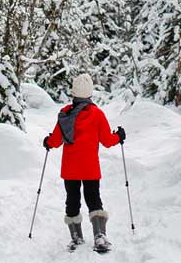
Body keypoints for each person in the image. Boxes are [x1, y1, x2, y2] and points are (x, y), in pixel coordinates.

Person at [43, 72, 126, 253]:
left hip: (70, 168)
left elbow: (55, 141)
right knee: (93, 199)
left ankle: (76, 238)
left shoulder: (65, 115)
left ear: (73, 93)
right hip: (90, 168)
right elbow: (107, 140)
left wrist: (47, 142)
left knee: (72, 201)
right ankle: (99, 237)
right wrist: (119, 136)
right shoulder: (97, 114)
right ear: (90, 93)